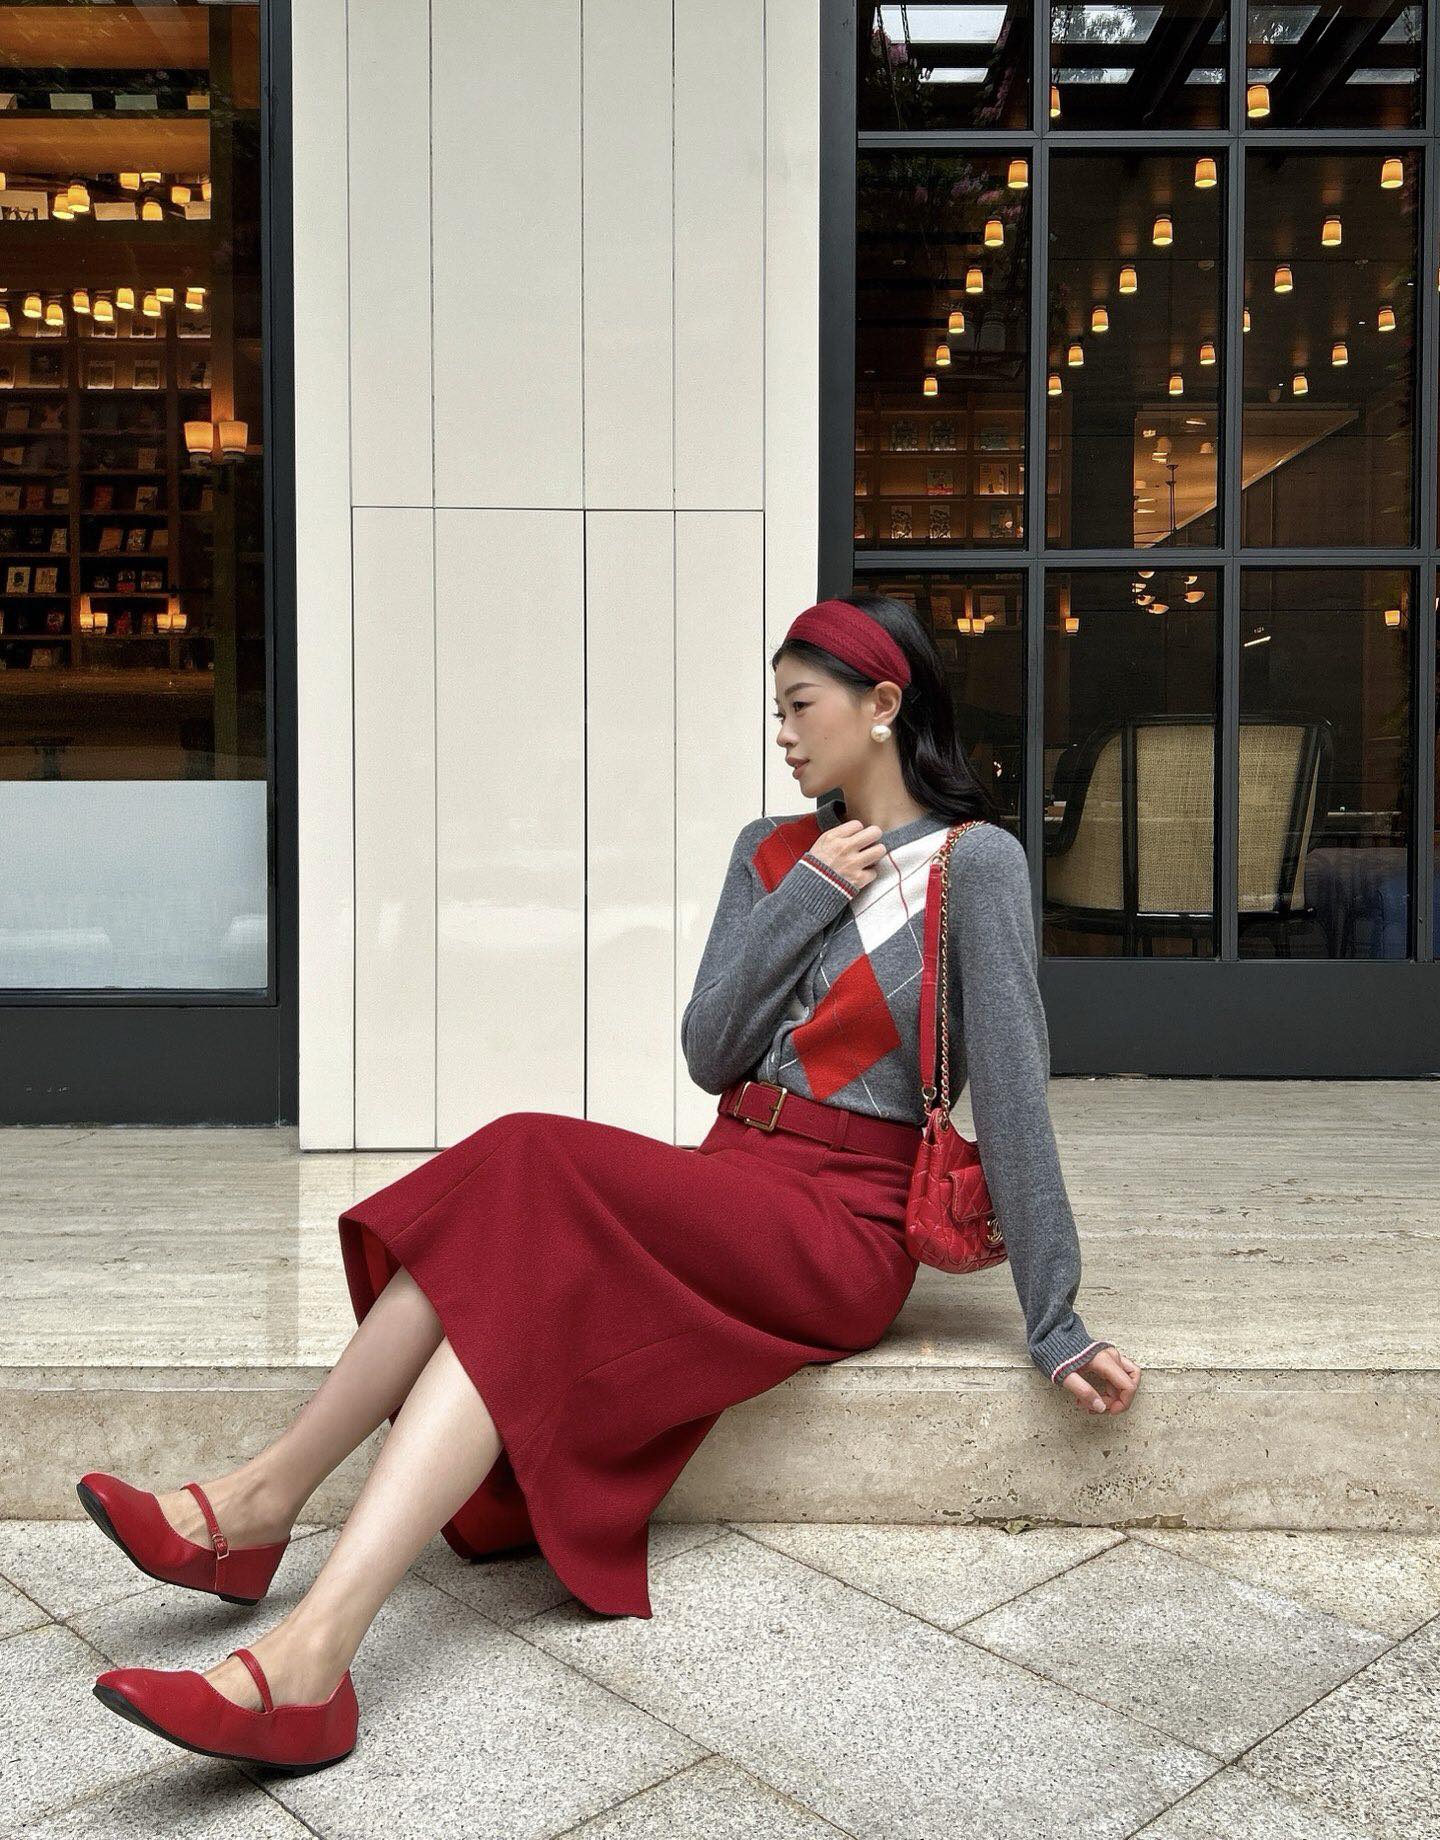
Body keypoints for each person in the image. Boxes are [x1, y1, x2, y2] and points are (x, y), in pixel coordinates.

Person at [78, 591, 1139, 1771]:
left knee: (526, 1156)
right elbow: (710, 1052)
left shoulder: (975, 865)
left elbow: (1015, 1087)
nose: (783, 734)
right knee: (509, 1268)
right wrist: (808, 895)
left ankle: (261, 1513)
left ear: (883, 705)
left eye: (802, 707)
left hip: (841, 1226)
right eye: (776, 710)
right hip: (733, 1173)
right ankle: (304, 1646)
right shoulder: (773, 852)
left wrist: (1056, 1318)